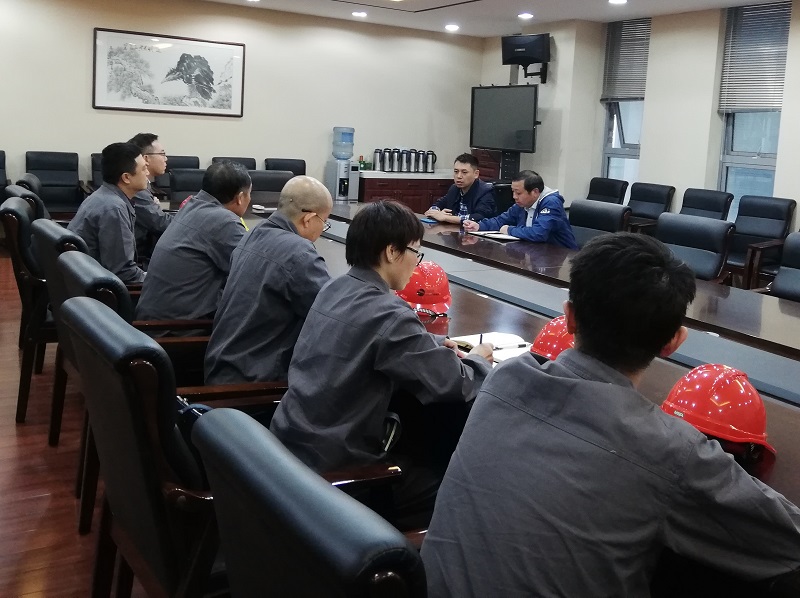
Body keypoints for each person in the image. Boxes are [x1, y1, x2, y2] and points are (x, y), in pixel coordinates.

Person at [421, 233, 800, 597]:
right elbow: (788, 539)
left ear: (569, 318)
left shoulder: (504, 379)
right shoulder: (670, 450)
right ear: (673, 342)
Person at [270, 200, 493, 519]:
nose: (416, 263)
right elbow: (454, 383)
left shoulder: (335, 288)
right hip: (339, 475)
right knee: (460, 485)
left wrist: (431, 342)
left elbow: (371, 336)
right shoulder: (389, 313)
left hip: (291, 448)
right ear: (391, 251)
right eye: (415, 252)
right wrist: (480, 360)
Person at [204, 176, 333, 384]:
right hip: (255, 383)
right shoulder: (299, 253)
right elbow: (332, 315)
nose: (322, 229)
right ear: (308, 219)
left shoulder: (252, 235)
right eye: (324, 223)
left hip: (221, 368)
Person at [134, 161, 250, 321]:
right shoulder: (224, 222)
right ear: (240, 198)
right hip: (177, 329)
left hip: (153, 318)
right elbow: (254, 272)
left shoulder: (192, 205)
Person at [68, 142, 148, 284]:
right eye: (143, 169)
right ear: (126, 177)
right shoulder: (114, 208)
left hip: (84, 278)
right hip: (96, 288)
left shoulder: (102, 195)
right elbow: (124, 273)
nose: (147, 173)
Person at [463, 169, 578, 248]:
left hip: (561, 258)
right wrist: (479, 226)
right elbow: (501, 220)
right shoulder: (522, 203)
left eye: (518, 193)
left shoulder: (551, 203)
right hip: (535, 253)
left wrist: (509, 230)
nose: (514, 197)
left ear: (535, 192)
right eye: (513, 192)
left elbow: (539, 233)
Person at [127, 133, 173, 260]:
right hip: (137, 257)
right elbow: (161, 223)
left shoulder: (143, 185)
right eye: (162, 154)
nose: (166, 159)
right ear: (146, 159)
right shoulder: (137, 189)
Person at [423, 153, 496, 224]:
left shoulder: (485, 191)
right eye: (456, 171)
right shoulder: (454, 188)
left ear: (476, 174)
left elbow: (480, 217)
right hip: (454, 230)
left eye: (464, 172)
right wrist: (436, 212)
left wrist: (446, 218)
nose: (459, 176)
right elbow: (439, 204)